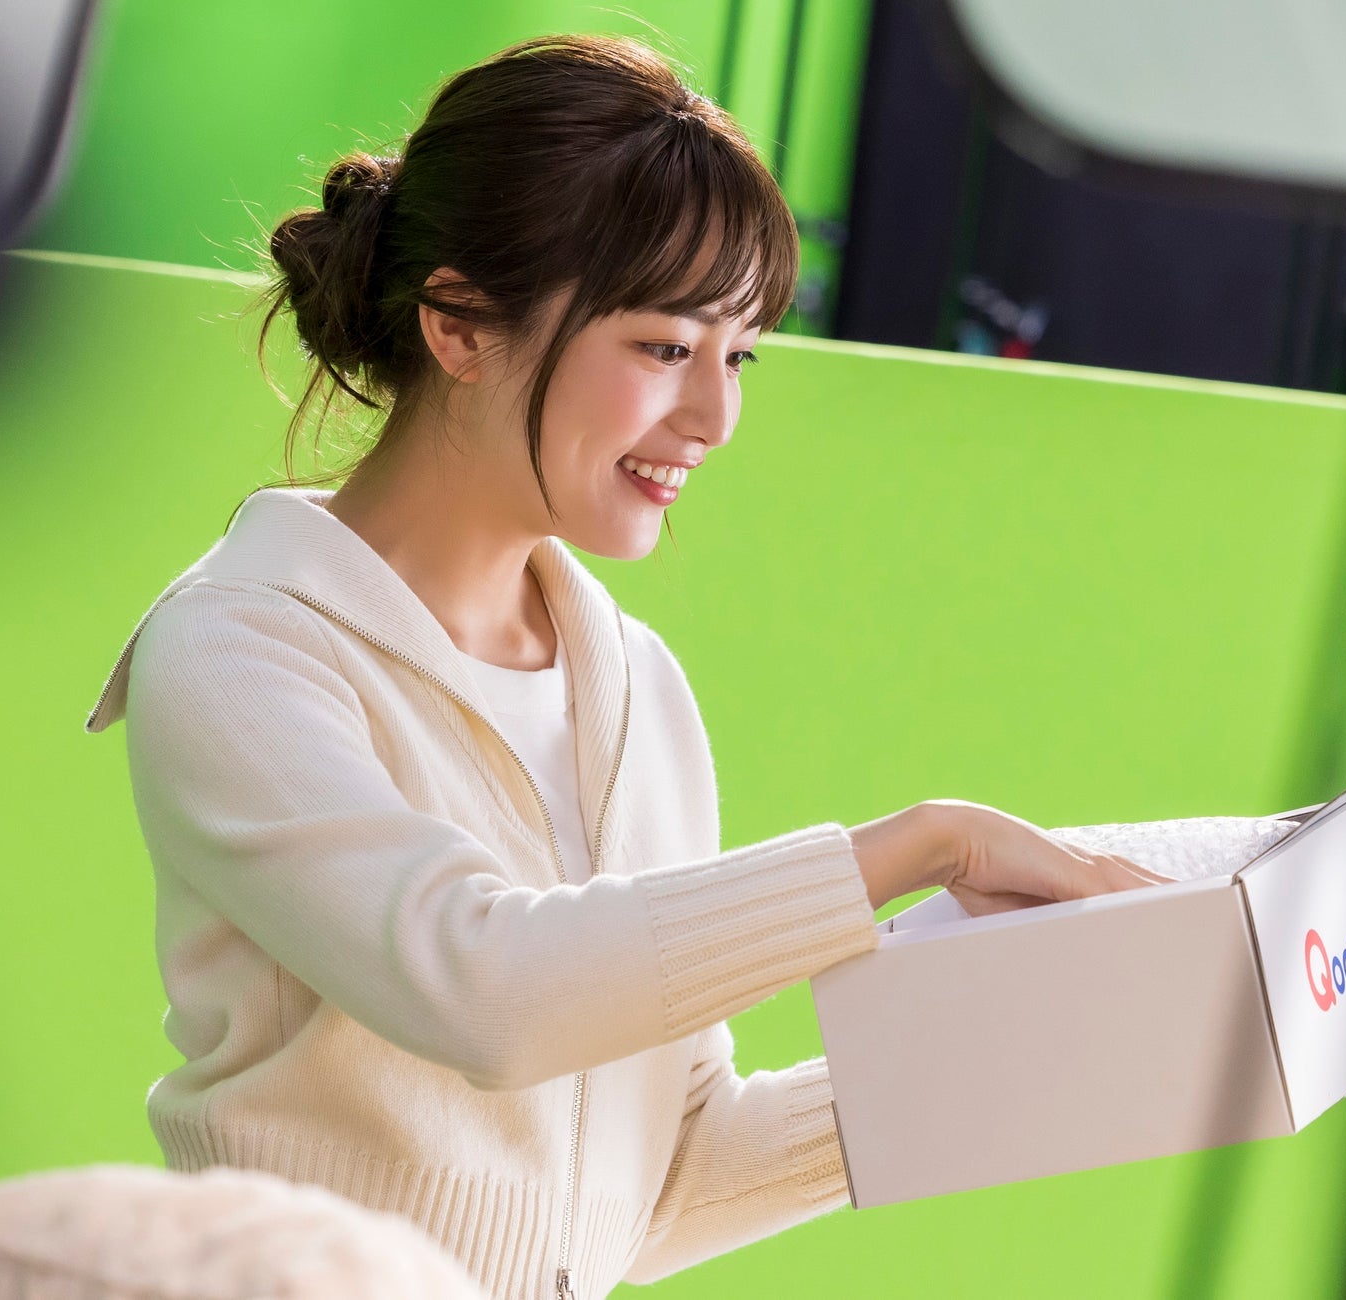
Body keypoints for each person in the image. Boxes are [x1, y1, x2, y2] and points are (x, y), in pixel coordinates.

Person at [84, 33, 1161, 1300]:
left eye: (739, 354)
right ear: (459, 326)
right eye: (664, 347)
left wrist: (1019, 1043)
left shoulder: (632, 686)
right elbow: (486, 989)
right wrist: (926, 845)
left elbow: (663, 1180)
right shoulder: (242, 647)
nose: (715, 417)